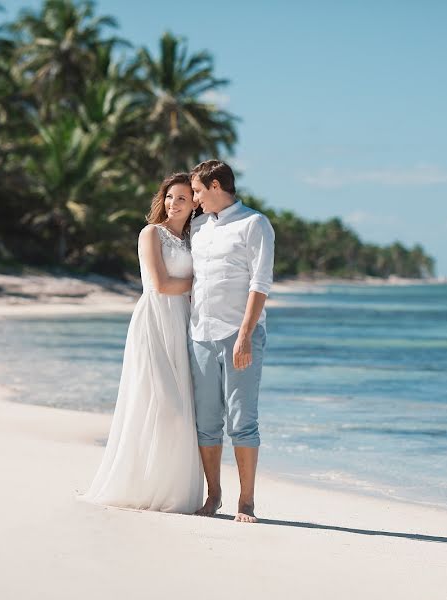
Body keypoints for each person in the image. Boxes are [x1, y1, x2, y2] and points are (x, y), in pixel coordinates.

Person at [79, 173, 204, 513]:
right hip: (154, 321)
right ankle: (141, 486)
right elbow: (161, 284)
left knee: (182, 406)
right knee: (161, 404)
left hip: (182, 324)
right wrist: (203, 282)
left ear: (195, 203)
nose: (173, 204)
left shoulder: (194, 241)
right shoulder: (151, 234)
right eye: (169, 197)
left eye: (182, 198)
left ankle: (171, 491)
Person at [188, 160, 275, 523]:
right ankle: (214, 496)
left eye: (198, 191)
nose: (195, 200)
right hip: (199, 335)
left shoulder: (254, 224)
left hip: (240, 335)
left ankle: (247, 503)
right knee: (206, 421)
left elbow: (260, 283)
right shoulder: (197, 227)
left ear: (217, 185)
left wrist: (244, 336)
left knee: (242, 420)